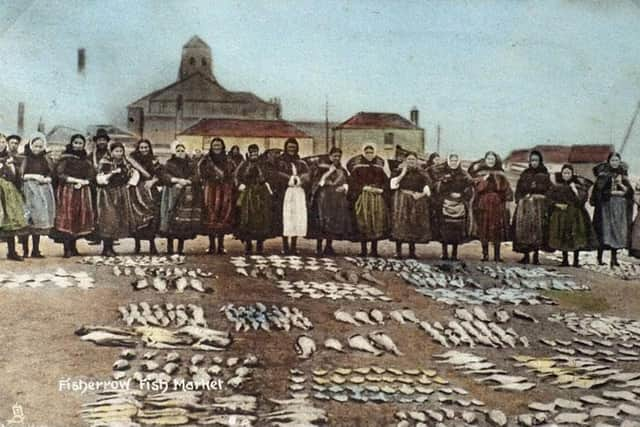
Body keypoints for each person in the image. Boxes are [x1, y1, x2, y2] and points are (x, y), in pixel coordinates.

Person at [54, 134, 95, 257]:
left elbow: (91, 174)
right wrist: (73, 180)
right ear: (72, 144)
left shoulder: (86, 160)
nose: (78, 145)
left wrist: (85, 182)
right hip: (68, 191)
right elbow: (60, 174)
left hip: (82, 191)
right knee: (67, 217)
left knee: (78, 218)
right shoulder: (65, 158)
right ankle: (67, 248)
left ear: (84, 145)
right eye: (75, 143)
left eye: (80, 143)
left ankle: (74, 246)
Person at [590, 152, 634, 267]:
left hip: (619, 207)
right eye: (613, 160)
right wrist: (611, 192)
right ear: (609, 161)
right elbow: (599, 191)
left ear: (620, 162)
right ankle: (599, 257)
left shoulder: (623, 174)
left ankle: (614, 259)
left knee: (616, 232)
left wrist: (622, 187)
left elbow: (630, 192)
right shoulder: (603, 175)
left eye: (617, 160)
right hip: (606, 207)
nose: (615, 163)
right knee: (604, 231)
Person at [547, 164, 595, 267]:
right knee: (563, 235)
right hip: (561, 215)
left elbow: (581, 200)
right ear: (562, 174)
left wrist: (574, 190)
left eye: (568, 173)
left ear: (572, 174)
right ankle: (565, 260)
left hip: (575, 215)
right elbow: (549, 199)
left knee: (576, 236)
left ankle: (576, 261)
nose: (566, 175)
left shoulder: (578, 186)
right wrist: (557, 205)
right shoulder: (557, 186)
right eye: (564, 173)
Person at [159, 141, 202, 255]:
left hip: (186, 194)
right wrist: (176, 180)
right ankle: (169, 247)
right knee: (170, 218)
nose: (180, 152)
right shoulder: (169, 163)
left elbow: (196, 176)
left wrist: (188, 181)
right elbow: (164, 175)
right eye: (178, 151)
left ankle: (180, 248)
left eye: (182, 150)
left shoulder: (191, 163)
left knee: (183, 222)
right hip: (171, 193)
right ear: (174, 152)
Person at [469, 151, 513, 262]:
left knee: (496, 228)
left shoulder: (500, 174)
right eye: (488, 159)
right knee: (484, 227)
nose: (490, 161)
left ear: (495, 160)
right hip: (483, 202)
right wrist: (484, 179)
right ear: (485, 160)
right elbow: (476, 188)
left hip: (497, 204)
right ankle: (485, 254)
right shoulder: (480, 173)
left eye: (492, 159)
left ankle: (497, 255)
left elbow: (507, 189)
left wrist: (507, 201)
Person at [269, 138, 310, 255]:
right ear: (286, 148)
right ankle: (285, 245)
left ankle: (294, 245)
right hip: (284, 193)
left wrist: (301, 179)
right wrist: (289, 178)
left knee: (296, 217)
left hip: (298, 192)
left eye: (294, 147)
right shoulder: (280, 161)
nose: (291, 150)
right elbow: (275, 174)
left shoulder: (300, 162)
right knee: (286, 218)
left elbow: (307, 174)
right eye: (289, 147)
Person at [347, 144, 389, 257]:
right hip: (364, 196)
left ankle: (374, 250)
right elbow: (353, 181)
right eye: (367, 152)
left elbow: (386, 181)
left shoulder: (379, 166)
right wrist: (363, 188)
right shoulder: (358, 166)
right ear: (363, 153)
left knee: (376, 221)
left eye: (371, 152)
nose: (369, 154)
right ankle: (363, 250)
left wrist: (381, 190)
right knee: (364, 220)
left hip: (376, 197)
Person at [308, 147, 351, 256]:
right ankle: (318, 247)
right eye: (334, 156)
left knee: (333, 222)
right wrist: (328, 173)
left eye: (339, 156)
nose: (337, 158)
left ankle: (328, 246)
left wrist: (344, 188)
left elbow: (346, 181)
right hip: (323, 198)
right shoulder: (321, 168)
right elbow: (318, 183)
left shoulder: (341, 169)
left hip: (336, 199)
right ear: (330, 156)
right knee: (322, 222)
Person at [96, 142, 136, 256]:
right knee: (108, 219)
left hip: (121, 193)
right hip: (107, 193)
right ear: (111, 152)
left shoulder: (125, 163)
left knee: (117, 219)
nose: (119, 153)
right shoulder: (105, 163)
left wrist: (128, 183)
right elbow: (100, 179)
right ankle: (106, 248)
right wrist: (112, 173)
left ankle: (111, 247)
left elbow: (132, 174)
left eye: (121, 151)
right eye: (116, 151)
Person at [389, 152, 432, 258]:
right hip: (401, 199)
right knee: (400, 223)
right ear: (405, 160)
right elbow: (392, 185)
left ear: (416, 161)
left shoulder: (421, 173)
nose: (411, 161)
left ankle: (412, 252)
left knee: (413, 223)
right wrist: (402, 174)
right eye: (409, 159)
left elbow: (428, 186)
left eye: (413, 159)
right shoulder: (398, 171)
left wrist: (421, 194)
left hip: (415, 200)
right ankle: (398, 252)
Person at [20, 133, 56, 258]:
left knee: (39, 220)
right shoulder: (25, 158)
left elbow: (51, 172)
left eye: (40, 147)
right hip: (29, 190)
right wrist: (32, 176)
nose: (37, 149)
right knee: (28, 220)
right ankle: (25, 250)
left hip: (42, 190)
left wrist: (47, 179)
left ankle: (36, 249)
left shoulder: (45, 159)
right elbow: (21, 175)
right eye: (35, 146)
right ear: (30, 146)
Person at [512, 150, 551, 265]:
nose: (534, 162)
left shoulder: (544, 174)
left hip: (539, 206)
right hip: (525, 206)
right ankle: (526, 255)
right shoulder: (525, 174)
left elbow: (549, 190)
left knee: (538, 230)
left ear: (540, 161)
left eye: (536, 160)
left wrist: (542, 198)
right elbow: (519, 188)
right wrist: (520, 199)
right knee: (525, 230)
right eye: (532, 160)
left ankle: (536, 256)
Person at [199, 137, 236, 254]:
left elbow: (231, 173)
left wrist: (225, 178)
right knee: (211, 214)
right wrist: (212, 176)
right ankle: (211, 245)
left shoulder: (228, 160)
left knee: (223, 214)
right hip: (211, 189)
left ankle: (220, 245)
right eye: (215, 145)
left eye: (219, 145)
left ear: (222, 146)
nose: (217, 147)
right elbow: (202, 172)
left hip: (224, 189)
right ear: (211, 147)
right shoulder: (206, 160)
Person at [434, 154, 473, 261]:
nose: (454, 163)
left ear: (458, 162)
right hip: (445, 204)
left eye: (456, 161)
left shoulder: (464, 175)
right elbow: (437, 188)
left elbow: (469, 188)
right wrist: (445, 189)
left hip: (459, 204)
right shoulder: (443, 173)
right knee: (445, 230)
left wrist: (462, 195)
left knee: (457, 230)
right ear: (448, 161)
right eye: (452, 161)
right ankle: (445, 253)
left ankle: (454, 254)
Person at [235, 144, 273, 254]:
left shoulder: (263, 164)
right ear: (249, 153)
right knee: (248, 218)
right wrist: (240, 184)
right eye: (252, 153)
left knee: (261, 218)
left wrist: (265, 182)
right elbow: (237, 175)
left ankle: (260, 244)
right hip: (248, 194)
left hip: (261, 194)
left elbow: (267, 176)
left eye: (255, 152)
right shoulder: (244, 164)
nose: (254, 155)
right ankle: (248, 243)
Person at [129, 139, 161, 254]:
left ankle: (152, 245)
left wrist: (152, 181)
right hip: (136, 190)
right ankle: (137, 245)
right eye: (141, 147)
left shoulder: (154, 160)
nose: (144, 150)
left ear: (149, 148)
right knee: (138, 216)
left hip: (151, 190)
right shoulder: (132, 160)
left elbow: (160, 173)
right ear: (138, 148)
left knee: (152, 216)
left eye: (146, 147)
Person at [0, 134, 28, 260]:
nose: (0, 145)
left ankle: (11, 251)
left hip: (8, 191)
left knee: (10, 219)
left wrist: (10, 166)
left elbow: (14, 176)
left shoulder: (9, 158)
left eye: (2, 142)